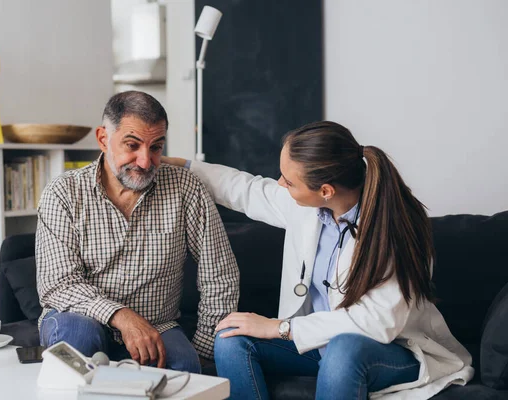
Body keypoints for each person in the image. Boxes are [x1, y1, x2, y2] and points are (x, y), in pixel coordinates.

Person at [161, 121, 473, 399]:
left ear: (325, 190)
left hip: (392, 351)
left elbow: (378, 323)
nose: (281, 185)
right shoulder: (309, 208)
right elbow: (248, 190)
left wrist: (281, 327)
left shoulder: (393, 231)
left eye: (288, 180)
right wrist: (185, 166)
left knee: (342, 349)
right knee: (232, 339)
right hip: (319, 345)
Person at [35, 91, 239, 373]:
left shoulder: (186, 188)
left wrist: (204, 349)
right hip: (79, 317)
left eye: (156, 147)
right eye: (132, 145)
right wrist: (121, 316)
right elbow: (59, 284)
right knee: (77, 337)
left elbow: (220, 275)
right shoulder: (63, 193)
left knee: (184, 365)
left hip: (158, 324)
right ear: (104, 139)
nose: (145, 161)